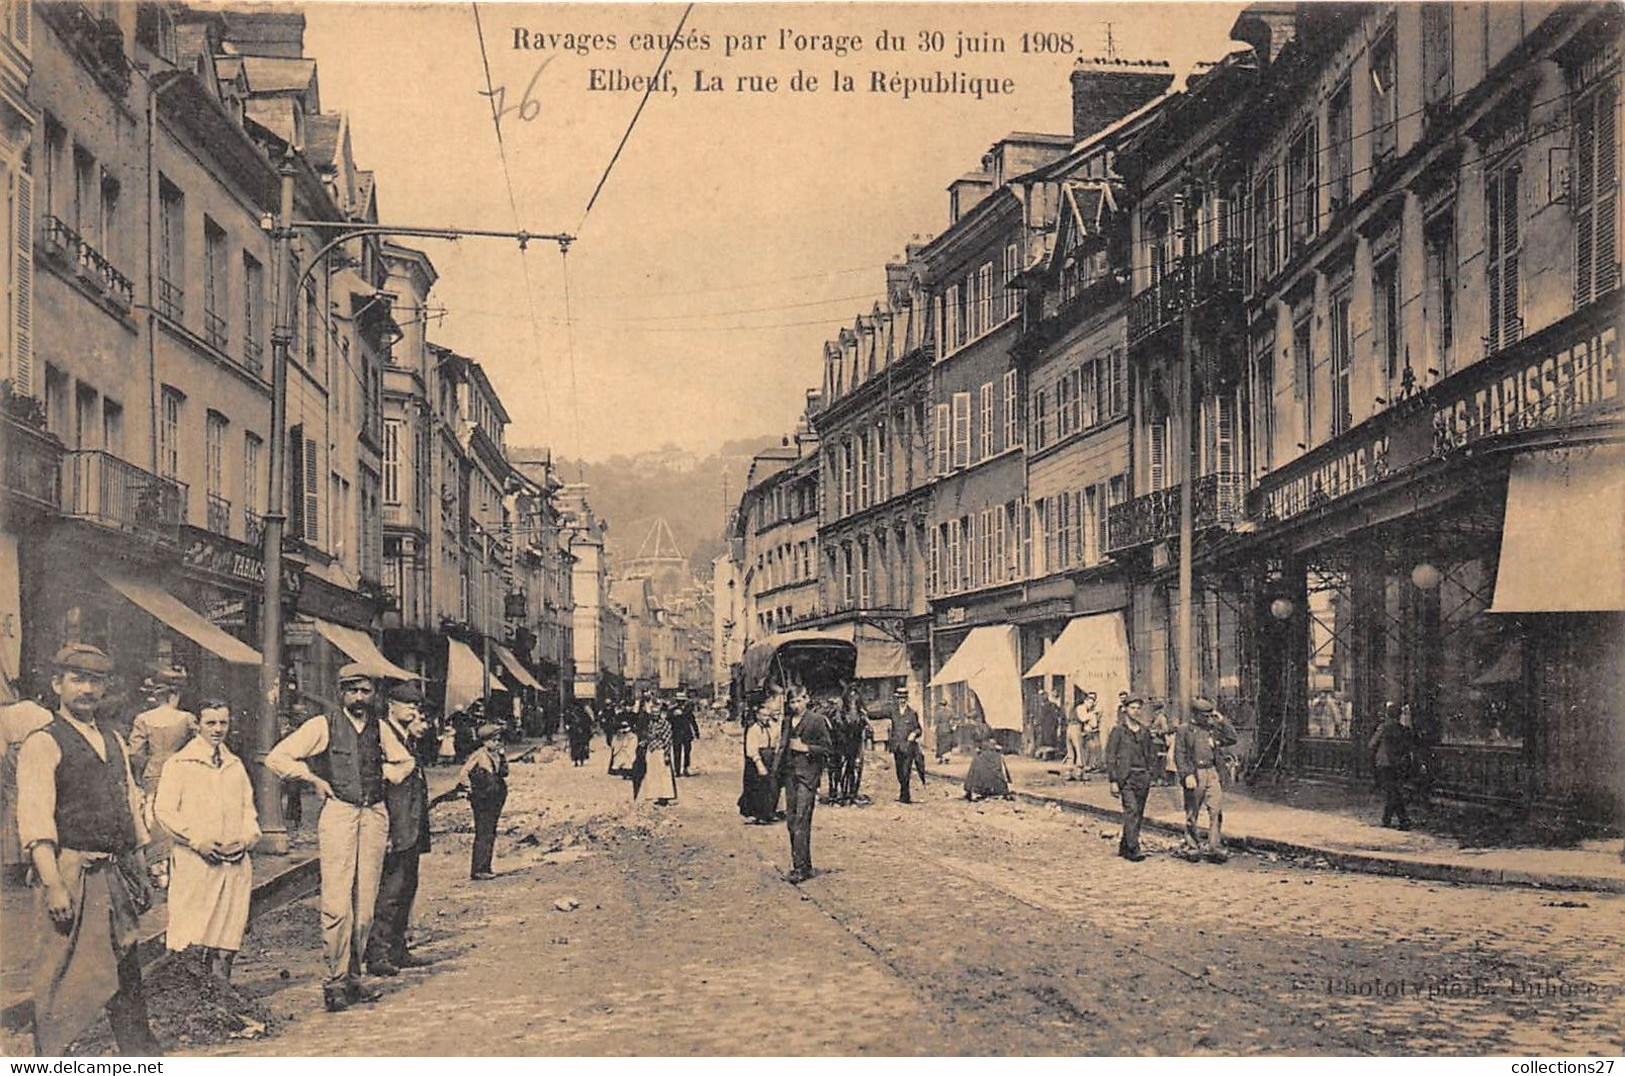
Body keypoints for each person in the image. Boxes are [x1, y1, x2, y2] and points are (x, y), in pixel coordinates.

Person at [16, 644, 161, 1056]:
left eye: (96, 681)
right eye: (78, 679)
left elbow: (130, 810)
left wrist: (140, 871)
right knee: (60, 983)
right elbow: (36, 820)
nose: (87, 689)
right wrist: (54, 885)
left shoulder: (114, 740)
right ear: (57, 684)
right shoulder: (43, 743)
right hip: (70, 874)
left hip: (115, 877)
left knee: (127, 977)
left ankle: (141, 1058)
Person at [267, 664, 415, 1012]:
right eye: (352, 691)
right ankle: (334, 980)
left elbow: (405, 762)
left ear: (374, 694)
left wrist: (384, 776)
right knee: (336, 902)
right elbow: (277, 757)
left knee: (364, 907)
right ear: (341, 693)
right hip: (339, 814)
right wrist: (313, 780)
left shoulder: (380, 728)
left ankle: (353, 976)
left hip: (374, 814)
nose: (359, 698)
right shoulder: (322, 725)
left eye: (365, 691)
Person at [152, 699, 259, 982]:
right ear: (197, 725)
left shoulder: (235, 765)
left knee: (228, 932)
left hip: (234, 862)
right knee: (192, 930)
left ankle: (222, 996)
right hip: (196, 861)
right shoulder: (179, 764)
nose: (217, 729)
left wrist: (246, 839)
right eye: (211, 723)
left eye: (223, 722)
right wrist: (195, 840)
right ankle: (192, 997)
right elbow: (163, 811)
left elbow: (248, 810)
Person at [365, 681, 432, 976]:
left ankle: (398, 949)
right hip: (394, 826)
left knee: (407, 888)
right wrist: (388, 830)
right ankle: (377, 954)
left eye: (416, 706)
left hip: (412, 826)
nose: (414, 710)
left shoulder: (406, 737)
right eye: (408, 705)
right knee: (389, 892)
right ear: (391, 705)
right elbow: (381, 784)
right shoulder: (382, 735)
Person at [772, 687, 830, 884]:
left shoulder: (817, 720)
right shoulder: (787, 722)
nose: (795, 706)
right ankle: (803, 864)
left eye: (798, 701)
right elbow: (783, 745)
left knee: (801, 820)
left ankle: (801, 869)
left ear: (806, 699)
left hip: (807, 777)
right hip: (790, 777)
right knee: (791, 822)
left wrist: (806, 748)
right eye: (792, 702)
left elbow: (827, 748)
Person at [1175, 696, 1238, 863]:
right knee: (1192, 813)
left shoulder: (1213, 728)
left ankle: (1214, 846)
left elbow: (1232, 738)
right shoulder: (1184, 730)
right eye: (1205, 715)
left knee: (1216, 810)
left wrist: (1222, 720)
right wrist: (1186, 775)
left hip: (1212, 772)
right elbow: (1179, 755)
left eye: (1210, 714)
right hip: (1194, 773)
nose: (1209, 718)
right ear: (1195, 714)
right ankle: (1192, 846)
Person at [1, 684, 53, 885]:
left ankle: (15, 859)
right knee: (37, 803)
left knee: (13, 806)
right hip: (36, 755)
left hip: (13, 756)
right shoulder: (44, 713)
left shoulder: (6, 714)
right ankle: (36, 859)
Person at [1106, 694, 1157, 861]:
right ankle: (1134, 849)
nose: (1135, 711)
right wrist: (1113, 780)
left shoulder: (1144, 731)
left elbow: (1151, 754)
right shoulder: (1118, 732)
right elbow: (1111, 756)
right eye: (1132, 708)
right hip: (1126, 778)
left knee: (1138, 813)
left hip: (1142, 777)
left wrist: (1150, 773)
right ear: (1125, 709)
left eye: (1138, 708)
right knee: (1131, 810)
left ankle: (1124, 845)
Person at [458, 723, 508, 880]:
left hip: (494, 797)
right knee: (484, 832)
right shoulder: (479, 755)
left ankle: (486, 866)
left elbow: (505, 773)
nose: (497, 743)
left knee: (490, 831)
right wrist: (471, 789)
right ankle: (479, 869)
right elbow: (463, 773)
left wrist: (502, 756)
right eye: (493, 740)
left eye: (499, 740)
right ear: (485, 741)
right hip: (483, 798)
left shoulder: (496, 755)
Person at [1368, 701, 1414, 829]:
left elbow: (1372, 744)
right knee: (1394, 791)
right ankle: (1390, 819)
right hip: (1398, 764)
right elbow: (1408, 747)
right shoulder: (1403, 729)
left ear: (1387, 714)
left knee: (1392, 792)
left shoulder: (1383, 727)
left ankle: (1401, 820)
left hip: (1384, 763)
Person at [738, 706, 780, 823]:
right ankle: (757, 814)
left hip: (770, 757)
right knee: (757, 786)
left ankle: (769, 812)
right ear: (758, 716)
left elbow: (777, 740)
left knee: (770, 785)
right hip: (758, 759)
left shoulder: (773, 727)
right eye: (763, 715)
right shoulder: (754, 729)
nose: (766, 718)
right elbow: (751, 748)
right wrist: (759, 763)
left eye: (768, 715)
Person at [887, 686, 925, 804]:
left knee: (906, 771)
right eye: (900, 698)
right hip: (897, 747)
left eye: (904, 698)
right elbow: (878, 714)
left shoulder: (912, 713)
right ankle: (903, 792)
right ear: (897, 699)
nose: (902, 701)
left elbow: (919, 729)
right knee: (899, 772)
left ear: (907, 699)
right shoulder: (893, 712)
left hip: (908, 746)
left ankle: (905, 795)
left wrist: (914, 734)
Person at [635, 700, 678, 804]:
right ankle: (654, 794)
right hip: (651, 750)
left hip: (660, 751)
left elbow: (667, 740)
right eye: (653, 714)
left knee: (663, 774)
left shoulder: (665, 724)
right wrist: (643, 743)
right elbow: (648, 737)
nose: (654, 716)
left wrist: (667, 754)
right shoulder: (650, 724)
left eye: (656, 714)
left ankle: (665, 796)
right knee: (651, 773)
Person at [963, 719, 1012, 801]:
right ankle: (996, 790)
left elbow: (978, 743)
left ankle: (976, 790)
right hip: (989, 749)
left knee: (977, 769)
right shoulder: (985, 727)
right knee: (991, 769)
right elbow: (992, 739)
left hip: (985, 750)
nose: (969, 722)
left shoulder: (976, 729)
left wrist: (978, 748)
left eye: (970, 720)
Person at [670, 695, 699, 776]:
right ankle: (677, 770)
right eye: (679, 701)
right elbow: (668, 722)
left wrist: (696, 732)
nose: (680, 703)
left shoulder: (688, 710)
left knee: (687, 752)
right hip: (676, 734)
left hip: (686, 734)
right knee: (676, 753)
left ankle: (686, 768)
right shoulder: (672, 710)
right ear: (677, 701)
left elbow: (693, 721)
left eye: (682, 701)